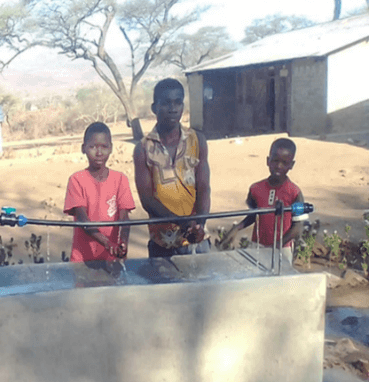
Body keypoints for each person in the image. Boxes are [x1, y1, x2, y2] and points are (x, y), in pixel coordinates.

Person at [134, 78, 212, 258]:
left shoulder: (197, 140)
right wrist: (183, 223)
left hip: (198, 241)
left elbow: (204, 187)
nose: (173, 108)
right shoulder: (143, 149)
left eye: (178, 102)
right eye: (166, 103)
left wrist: (198, 224)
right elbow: (147, 200)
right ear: (154, 108)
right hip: (163, 244)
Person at [218, 138, 308, 263]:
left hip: (282, 249)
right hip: (258, 246)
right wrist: (237, 228)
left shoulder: (295, 193)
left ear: (291, 165)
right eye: (275, 161)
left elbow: (298, 227)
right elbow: (255, 215)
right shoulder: (256, 189)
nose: (278, 166)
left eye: (284, 162)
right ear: (268, 161)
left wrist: (276, 246)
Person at [63, 122, 136, 262]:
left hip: (112, 257)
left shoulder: (120, 179)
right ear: (83, 148)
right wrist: (107, 243)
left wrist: (123, 242)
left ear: (111, 148)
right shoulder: (76, 180)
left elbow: (124, 217)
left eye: (104, 147)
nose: (99, 152)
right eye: (93, 147)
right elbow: (83, 220)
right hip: (82, 260)